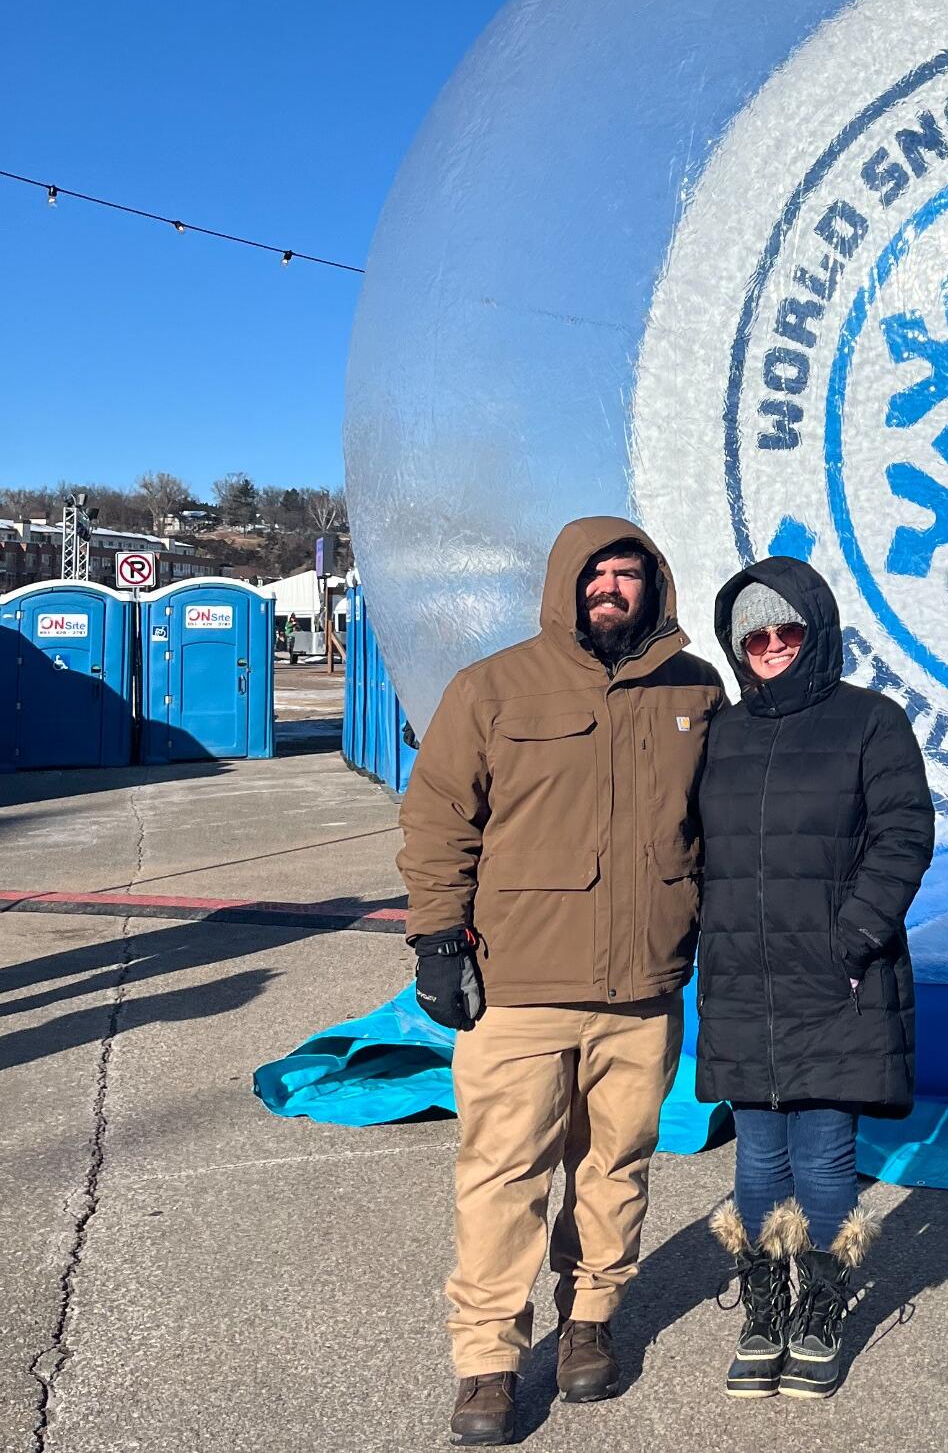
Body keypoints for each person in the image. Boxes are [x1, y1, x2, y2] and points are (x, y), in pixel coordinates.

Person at [397, 518, 723, 1446]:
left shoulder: (695, 690)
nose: (611, 589)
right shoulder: (493, 687)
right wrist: (436, 940)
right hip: (521, 983)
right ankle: (488, 1361)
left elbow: (721, 821)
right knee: (503, 1171)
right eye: (596, 575)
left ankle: (591, 1317)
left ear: (653, 585)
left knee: (615, 1161)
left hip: (643, 986)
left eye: (628, 574)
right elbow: (438, 819)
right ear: (564, 586)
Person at [696, 557, 935, 1401]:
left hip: (835, 980)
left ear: (816, 631)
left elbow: (903, 832)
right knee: (757, 1155)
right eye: (752, 635)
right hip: (741, 978)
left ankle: (822, 1305)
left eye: (785, 630)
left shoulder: (871, 722)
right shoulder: (720, 731)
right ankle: (765, 1305)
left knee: (824, 1154)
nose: (769, 646)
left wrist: (855, 936)